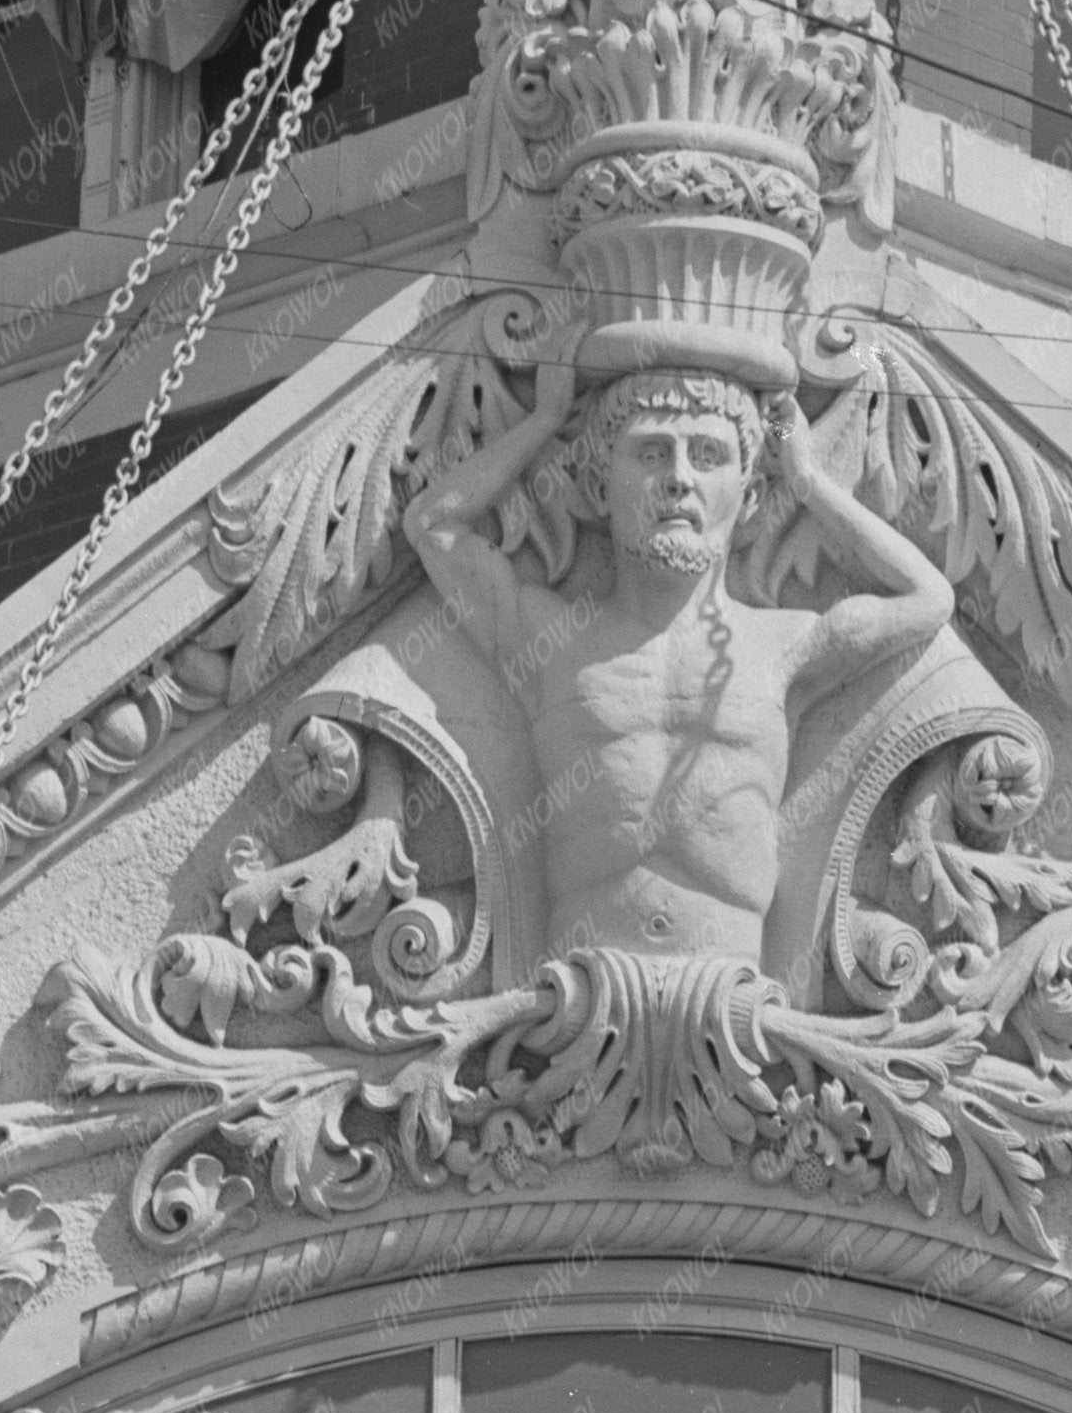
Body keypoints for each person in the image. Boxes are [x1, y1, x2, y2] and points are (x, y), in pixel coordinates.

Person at [407, 336, 952, 970]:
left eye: (709, 456)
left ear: (750, 496)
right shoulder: (550, 638)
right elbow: (432, 526)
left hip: (734, 993)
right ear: (598, 486)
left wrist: (806, 480)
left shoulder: (783, 646)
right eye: (651, 453)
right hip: (578, 993)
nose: (679, 479)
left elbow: (927, 598)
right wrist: (544, 420)